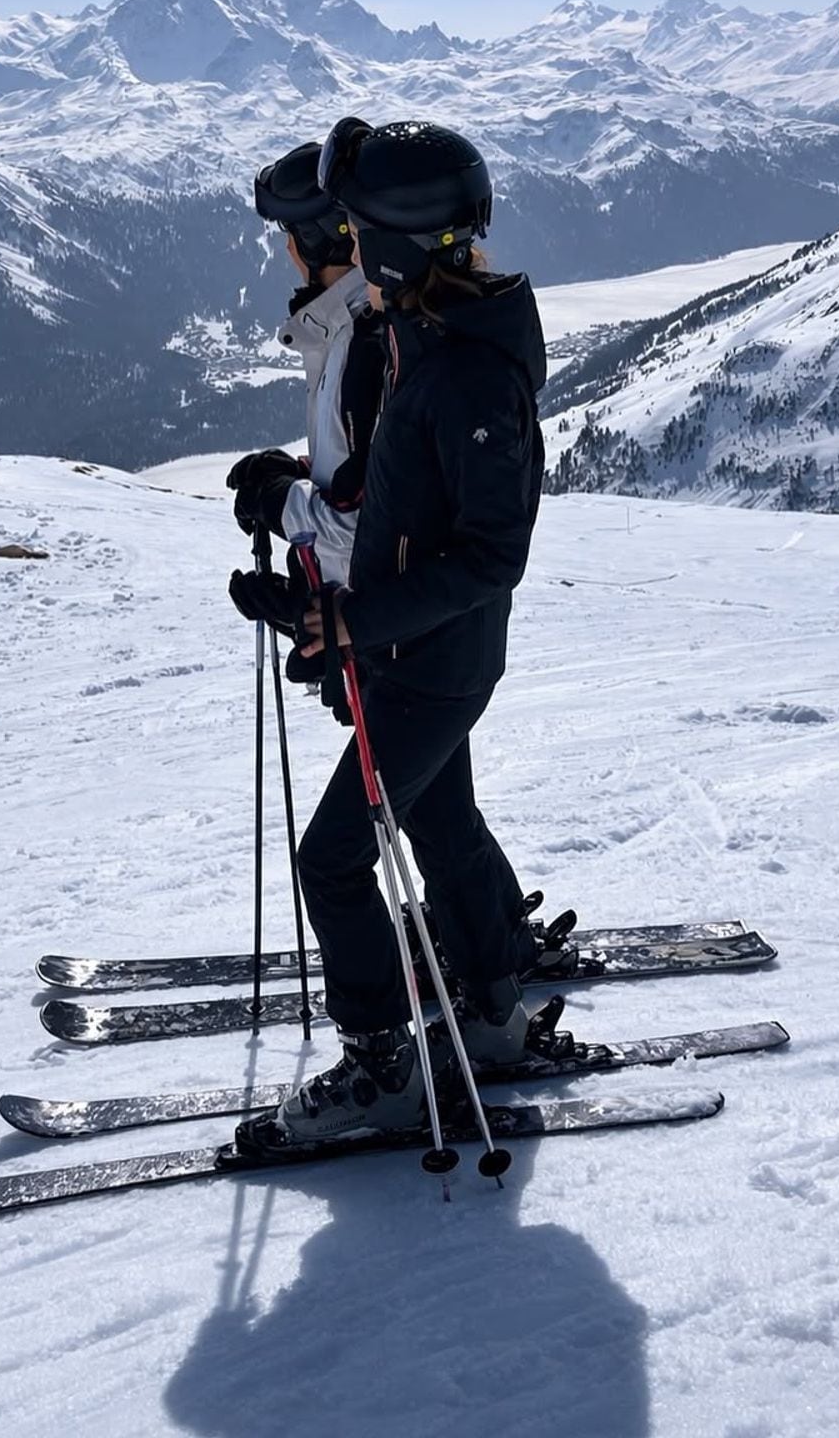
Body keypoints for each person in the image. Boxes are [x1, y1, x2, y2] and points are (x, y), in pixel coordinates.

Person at [238, 117, 548, 1154]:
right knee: (441, 826)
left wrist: (354, 619)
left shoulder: (462, 373)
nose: (351, 250)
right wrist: (319, 603)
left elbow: (488, 555)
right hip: (416, 655)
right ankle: (496, 1017)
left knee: (330, 861)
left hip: (432, 666)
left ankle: (381, 1066)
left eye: (363, 235)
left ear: (400, 246)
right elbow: (393, 511)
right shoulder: (417, 331)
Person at [225, 141, 385, 651]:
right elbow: (362, 481)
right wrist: (299, 478)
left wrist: (280, 503)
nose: (286, 251)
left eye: (289, 235)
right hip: (372, 633)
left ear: (313, 242)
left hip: (384, 648)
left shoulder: (363, 345)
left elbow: (364, 525)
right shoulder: (349, 328)